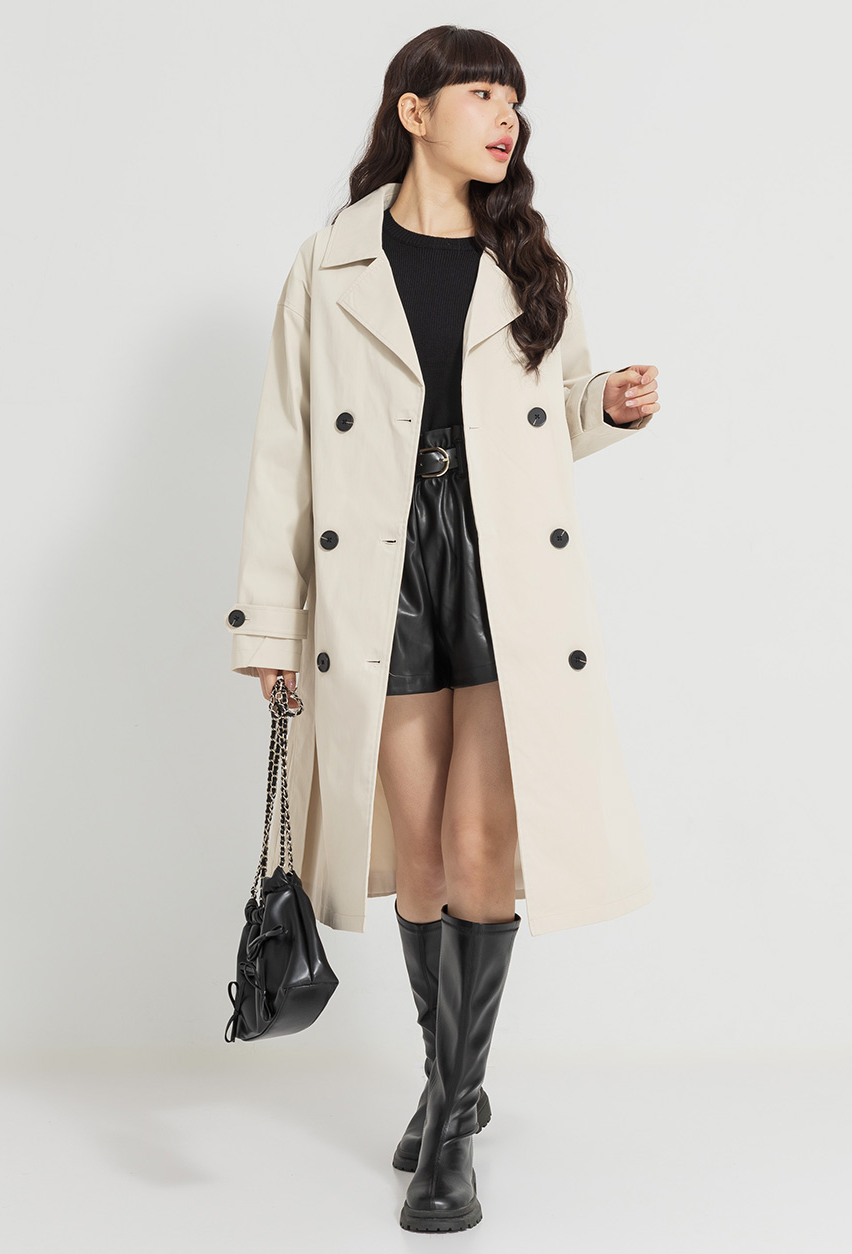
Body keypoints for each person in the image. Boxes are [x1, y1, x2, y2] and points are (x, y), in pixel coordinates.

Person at [227, 25, 660, 1235]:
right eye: (481, 93)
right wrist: (268, 625)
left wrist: (608, 406)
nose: (505, 116)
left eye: (513, 98)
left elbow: (551, 416)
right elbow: (284, 447)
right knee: (415, 850)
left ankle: (450, 1121)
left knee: (480, 846)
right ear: (414, 112)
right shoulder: (329, 264)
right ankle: (448, 1082)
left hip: (500, 563)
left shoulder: (527, 259)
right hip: (379, 567)